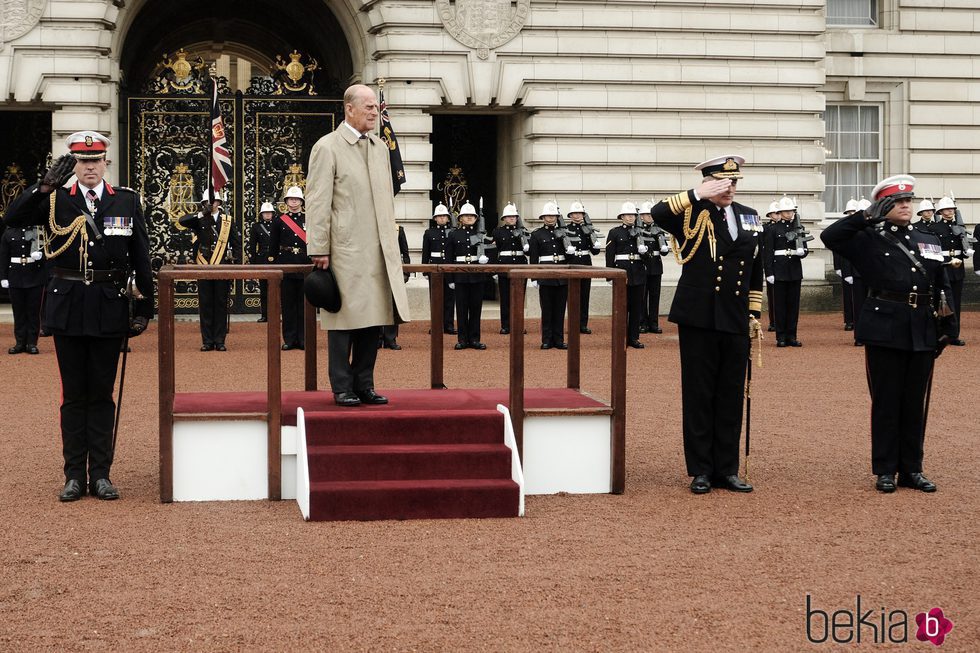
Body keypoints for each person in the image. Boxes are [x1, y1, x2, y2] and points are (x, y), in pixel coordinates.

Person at [3, 130, 153, 502]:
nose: (90, 167)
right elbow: (12, 218)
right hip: (67, 304)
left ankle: (100, 474)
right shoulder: (55, 200)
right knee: (73, 395)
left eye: (96, 160)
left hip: (109, 304)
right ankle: (73, 475)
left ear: (106, 163)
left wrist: (144, 308)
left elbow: (141, 255)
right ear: (74, 164)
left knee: (101, 394)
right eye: (83, 161)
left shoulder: (125, 201)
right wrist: (42, 186)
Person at [821, 175, 956, 493]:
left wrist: (948, 326)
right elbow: (830, 236)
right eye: (897, 202)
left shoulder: (927, 238)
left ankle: (912, 468)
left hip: (922, 326)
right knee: (886, 400)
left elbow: (941, 284)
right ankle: (885, 469)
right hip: (885, 326)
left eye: (909, 200)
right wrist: (866, 215)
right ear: (883, 206)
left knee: (914, 401)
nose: (906, 205)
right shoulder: (868, 238)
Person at [649, 154, 762, 495]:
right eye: (722, 182)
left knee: (730, 393)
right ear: (709, 182)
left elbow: (756, 266)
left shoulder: (749, 216)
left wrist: (753, 312)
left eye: (734, 182)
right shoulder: (690, 211)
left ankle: (726, 469)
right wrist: (698, 194)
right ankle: (700, 469)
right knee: (699, 392)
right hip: (699, 314)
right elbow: (657, 213)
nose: (729, 187)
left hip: (735, 313)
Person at [305, 83, 410, 407]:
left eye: (375, 108)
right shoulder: (327, 147)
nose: (374, 112)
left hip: (378, 250)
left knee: (373, 320)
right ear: (349, 108)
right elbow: (318, 200)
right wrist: (318, 247)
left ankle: (365, 383)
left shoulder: (380, 147)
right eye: (368, 107)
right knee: (343, 321)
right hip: (345, 251)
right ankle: (342, 386)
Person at [178, 189, 240, 351]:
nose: (211, 204)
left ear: (219, 203)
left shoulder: (227, 220)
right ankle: (207, 341)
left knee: (220, 303)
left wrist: (236, 265)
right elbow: (182, 221)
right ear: (204, 203)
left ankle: (220, 340)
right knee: (205, 304)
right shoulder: (199, 219)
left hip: (222, 264)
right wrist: (200, 214)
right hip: (204, 264)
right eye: (207, 202)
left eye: (213, 202)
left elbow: (236, 242)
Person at [269, 186, 310, 350]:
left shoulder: (308, 219)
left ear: (301, 201)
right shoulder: (279, 220)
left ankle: (303, 339)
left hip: (304, 263)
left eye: (296, 199)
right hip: (286, 263)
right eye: (291, 199)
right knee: (288, 305)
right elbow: (273, 244)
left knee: (303, 305)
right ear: (286, 202)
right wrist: (273, 264)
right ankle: (289, 338)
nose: (294, 202)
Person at [764, 195, 808, 347]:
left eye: (791, 211)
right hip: (779, 270)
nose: (789, 214)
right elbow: (768, 252)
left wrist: (803, 250)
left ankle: (792, 336)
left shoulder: (798, 227)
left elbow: (804, 247)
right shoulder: (773, 229)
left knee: (793, 305)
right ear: (780, 212)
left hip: (794, 270)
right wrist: (769, 272)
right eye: (786, 211)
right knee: (780, 305)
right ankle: (781, 337)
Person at [446, 202, 490, 349]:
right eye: (466, 215)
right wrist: (450, 279)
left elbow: (491, 251)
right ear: (460, 218)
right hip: (460, 275)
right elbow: (449, 258)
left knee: (476, 309)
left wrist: (486, 259)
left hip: (477, 275)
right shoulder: (453, 235)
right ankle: (462, 339)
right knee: (462, 308)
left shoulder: (481, 234)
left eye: (472, 216)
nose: (469, 218)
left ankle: (475, 339)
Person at [528, 202, 571, 349]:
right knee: (546, 310)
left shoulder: (565, 233)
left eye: (553, 216)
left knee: (559, 310)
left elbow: (569, 259)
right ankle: (546, 339)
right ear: (543, 217)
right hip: (545, 275)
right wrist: (534, 277)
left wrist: (570, 251)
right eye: (548, 215)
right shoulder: (536, 234)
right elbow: (533, 257)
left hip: (561, 276)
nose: (551, 218)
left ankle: (559, 340)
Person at [605, 201, 647, 348]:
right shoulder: (615, 232)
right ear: (622, 216)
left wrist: (644, 252)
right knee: (621, 308)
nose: (630, 218)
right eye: (627, 215)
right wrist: (610, 275)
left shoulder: (642, 232)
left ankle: (633, 338)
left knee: (636, 308)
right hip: (622, 272)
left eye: (633, 215)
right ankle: (620, 337)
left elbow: (648, 258)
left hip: (638, 273)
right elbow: (610, 255)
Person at [1, 225, 46, 354]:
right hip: (15, 276)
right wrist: (3, 277)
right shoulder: (8, 233)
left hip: (34, 276)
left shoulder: (37, 231)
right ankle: (20, 342)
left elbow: (49, 253)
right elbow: (3, 256)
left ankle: (32, 343)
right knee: (18, 311)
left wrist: (41, 256)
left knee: (33, 312)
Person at [931, 196, 967, 346]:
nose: (950, 211)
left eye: (952, 208)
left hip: (957, 269)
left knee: (956, 303)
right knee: (941, 302)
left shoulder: (960, 227)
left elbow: (963, 248)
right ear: (941, 211)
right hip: (943, 268)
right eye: (947, 209)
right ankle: (939, 333)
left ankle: (953, 335)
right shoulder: (934, 228)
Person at [490, 202, 528, 335]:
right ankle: (506, 325)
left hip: (520, 265)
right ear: (504, 219)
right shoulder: (498, 232)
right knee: (505, 297)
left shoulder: (524, 231)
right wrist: (495, 268)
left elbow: (529, 252)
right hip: (504, 265)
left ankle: (519, 324)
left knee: (519, 298)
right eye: (509, 216)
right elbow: (495, 251)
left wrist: (526, 245)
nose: (512, 218)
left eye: (514, 216)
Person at [564, 202, 601, 334]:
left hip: (585, 263)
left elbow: (594, 252)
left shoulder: (588, 229)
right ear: (571, 215)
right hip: (572, 263)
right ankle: (573, 324)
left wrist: (596, 245)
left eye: (580, 213)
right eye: (575, 213)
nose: (578, 215)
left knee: (584, 296)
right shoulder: (565, 230)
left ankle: (583, 324)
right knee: (572, 296)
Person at [421, 203, 456, 334]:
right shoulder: (429, 233)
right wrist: (425, 269)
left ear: (448, 218)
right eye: (439, 216)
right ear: (435, 218)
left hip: (448, 267)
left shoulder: (452, 232)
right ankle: (436, 325)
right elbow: (426, 252)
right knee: (435, 299)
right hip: (434, 267)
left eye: (444, 216)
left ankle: (449, 325)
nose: (442, 218)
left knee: (449, 298)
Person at [638, 201, 670, 334]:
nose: (650, 216)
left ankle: (654, 323)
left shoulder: (659, 230)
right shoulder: (638, 230)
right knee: (642, 296)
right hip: (643, 265)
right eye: (647, 214)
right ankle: (642, 323)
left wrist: (665, 248)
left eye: (651, 214)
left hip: (656, 266)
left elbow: (664, 252)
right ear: (641, 216)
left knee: (655, 296)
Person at [380, 225, 410, 349]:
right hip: (377, 272)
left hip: (394, 272)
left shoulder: (398, 229)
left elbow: (405, 252)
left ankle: (390, 338)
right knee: (377, 305)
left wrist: (406, 272)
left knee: (393, 306)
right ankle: (377, 338)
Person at [832, 199, 859, 331]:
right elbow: (837, 249)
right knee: (848, 296)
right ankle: (849, 320)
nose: (852, 214)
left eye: (854, 211)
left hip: (859, 266)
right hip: (846, 264)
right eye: (850, 212)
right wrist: (838, 267)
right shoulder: (843, 227)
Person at [248, 201, 275, 322]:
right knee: (264, 289)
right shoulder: (256, 227)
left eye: (269, 213)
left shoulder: (278, 224)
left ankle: (276, 314)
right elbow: (252, 246)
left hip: (276, 259)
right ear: (261, 214)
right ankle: (265, 314)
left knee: (277, 288)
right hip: (263, 259)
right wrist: (253, 263)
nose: (268, 215)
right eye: (265, 213)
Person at [762, 201, 779, 332]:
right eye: (775, 213)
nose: (778, 215)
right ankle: (773, 321)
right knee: (773, 296)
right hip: (772, 264)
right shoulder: (766, 228)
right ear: (770, 214)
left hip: (783, 265)